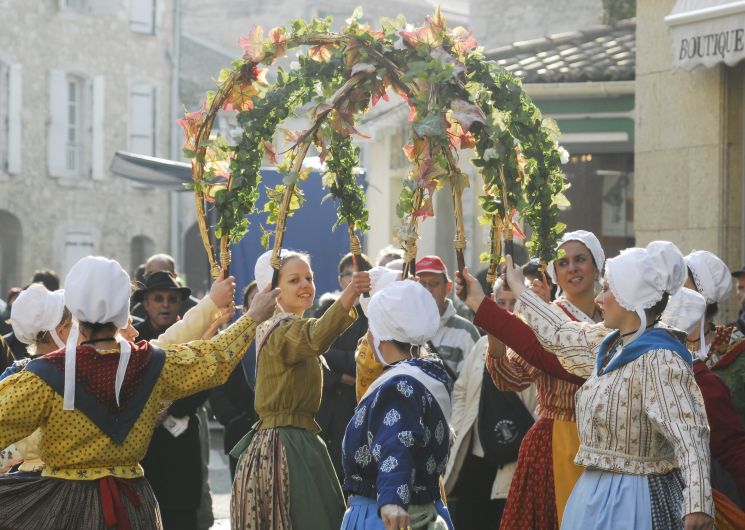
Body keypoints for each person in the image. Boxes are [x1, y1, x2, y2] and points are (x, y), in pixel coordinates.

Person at [0, 255, 278, 528]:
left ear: (74, 309)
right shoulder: (151, 364)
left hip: (61, 507)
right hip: (133, 506)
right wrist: (251, 317)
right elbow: (214, 358)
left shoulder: (43, 376)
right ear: (125, 308)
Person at [461, 241, 714, 528]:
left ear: (628, 299)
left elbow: (690, 435)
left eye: (607, 290)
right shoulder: (610, 344)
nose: (598, 299)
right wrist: (511, 292)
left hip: (635, 496)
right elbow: (558, 334)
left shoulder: (660, 357)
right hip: (595, 492)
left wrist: (698, 503)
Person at [463, 230, 604, 529]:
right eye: (563, 263)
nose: (572, 268)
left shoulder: (613, 315)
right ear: (555, 272)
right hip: (560, 440)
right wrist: (495, 332)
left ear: (597, 266)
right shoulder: (545, 316)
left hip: (610, 441)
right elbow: (510, 378)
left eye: (580, 260)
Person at [230, 249, 370, 530]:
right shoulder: (279, 329)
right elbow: (316, 337)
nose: (306, 285)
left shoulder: (287, 325)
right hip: (284, 447)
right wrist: (350, 294)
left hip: (298, 441)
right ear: (272, 291)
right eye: (294, 280)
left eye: (308, 277)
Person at [341, 280, 452, 530]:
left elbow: (397, 442)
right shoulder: (428, 374)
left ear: (379, 334)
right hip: (421, 507)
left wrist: (392, 500)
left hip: (385, 515)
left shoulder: (400, 385)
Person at [444, 278, 537, 529]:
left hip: (515, 463)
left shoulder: (536, 348)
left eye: (513, 302)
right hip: (475, 459)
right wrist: (460, 426)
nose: (506, 309)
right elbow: (462, 390)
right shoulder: (481, 345)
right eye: (500, 303)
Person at [132, 271, 216, 530]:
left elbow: (207, 376)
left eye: (171, 298)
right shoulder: (133, 337)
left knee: (183, 512)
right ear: (146, 304)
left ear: (180, 303)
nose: (165, 305)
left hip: (182, 436)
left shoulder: (198, 333)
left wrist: (172, 407)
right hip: (144, 442)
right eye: (158, 299)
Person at [314, 252, 373, 481]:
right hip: (325, 403)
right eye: (347, 274)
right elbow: (314, 351)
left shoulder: (371, 314)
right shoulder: (327, 310)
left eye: (358, 273)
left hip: (354, 406)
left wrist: (333, 357)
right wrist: (339, 377)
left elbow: (361, 360)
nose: (352, 279)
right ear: (340, 280)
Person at [684, 250, 745, 424]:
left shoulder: (736, 347)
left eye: (684, 287)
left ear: (704, 296)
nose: (675, 296)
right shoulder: (666, 343)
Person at [211, 282, 259, 480]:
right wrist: (232, 419)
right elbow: (216, 387)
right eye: (256, 299)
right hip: (240, 431)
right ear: (246, 308)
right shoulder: (229, 341)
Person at [415, 255, 479, 378]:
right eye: (422, 284)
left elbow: (471, 386)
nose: (428, 290)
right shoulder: (402, 330)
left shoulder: (465, 332)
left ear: (448, 287)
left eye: (434, 283)